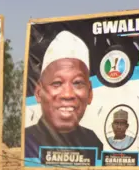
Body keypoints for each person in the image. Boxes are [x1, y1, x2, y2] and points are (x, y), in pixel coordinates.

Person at [24, 30, 103, 160]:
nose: (67, 94)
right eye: (57, 83)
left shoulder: (93, 142)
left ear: (90, 93)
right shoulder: (28, 142)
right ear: (38, 93)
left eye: (77, 83)